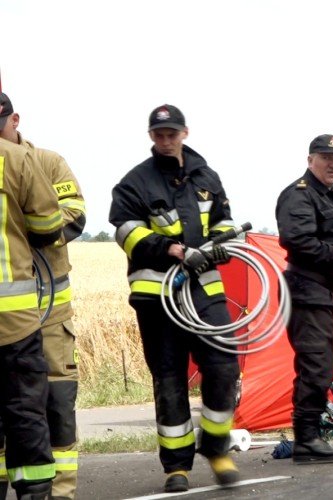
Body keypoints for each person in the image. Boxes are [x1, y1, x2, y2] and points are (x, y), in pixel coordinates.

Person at [108, 104, 240, 493]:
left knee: (224, 368)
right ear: (151, 136)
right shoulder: (134, 183)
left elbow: (226, 224)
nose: (166, 140)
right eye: (159, 134)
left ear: (185, 132)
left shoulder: (206, 177)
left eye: (172, 133)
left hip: (204, 293)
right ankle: (176, 466)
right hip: (157, 297)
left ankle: (216, 447)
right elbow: (126, 232)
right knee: (169, 380)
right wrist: (170, 249)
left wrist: (220, 246)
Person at [0, 91, 87, 500]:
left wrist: (28, 226)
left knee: (55, 400)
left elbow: (74, 214)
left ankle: (61, 490)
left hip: (49, 310)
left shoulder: (48, 162)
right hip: (14, 311)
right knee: (15, 406)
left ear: (15, 120)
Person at [275, 134, 333, 464]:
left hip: (321, 292)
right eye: (326, 157)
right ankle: (306, 440)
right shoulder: (299, 194)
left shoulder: (329, 194)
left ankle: (308, 438)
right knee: (315, 364)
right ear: (310, 160)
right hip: (305, 290)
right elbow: (296, 240)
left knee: (318, 364)